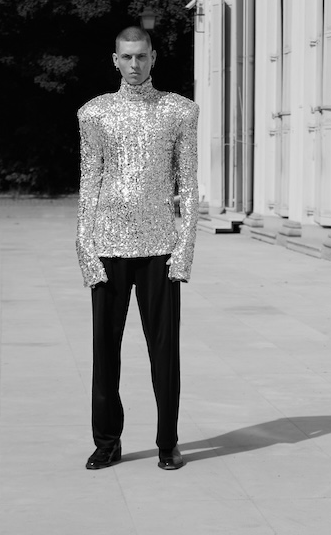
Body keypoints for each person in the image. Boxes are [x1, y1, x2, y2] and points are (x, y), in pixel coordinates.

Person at [76, 26, 198, 471]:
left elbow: (188, 184)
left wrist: (184, 250)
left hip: (160, 247)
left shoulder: (180, 111)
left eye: (141, 56)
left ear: (153, 57)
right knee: (104, 351)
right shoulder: (94, 113)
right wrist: (85, 248)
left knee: (165, 350)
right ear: (115, 59)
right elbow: (89, 182)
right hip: (108, 243)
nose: (134, 64)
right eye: (126, 57)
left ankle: (168, 442)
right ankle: (107, 441)